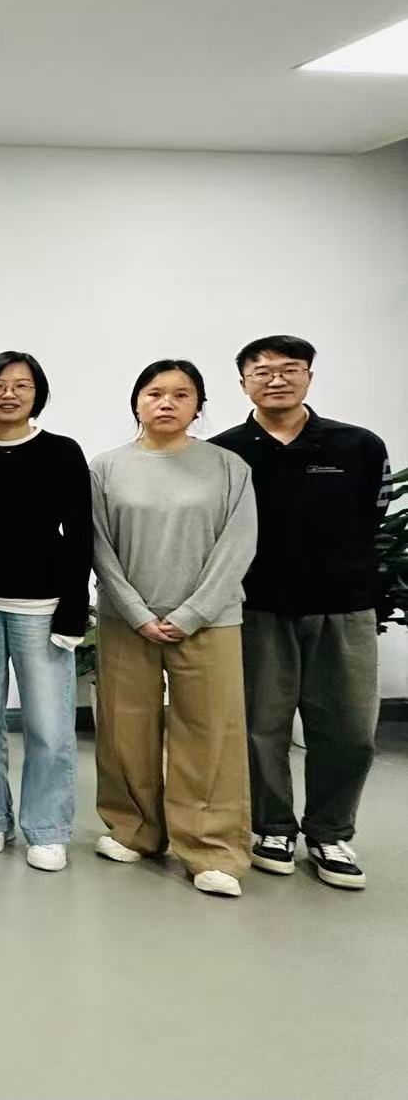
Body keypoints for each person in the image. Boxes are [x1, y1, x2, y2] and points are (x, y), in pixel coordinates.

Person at [211, 335, 389, 890]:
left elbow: (374, 520)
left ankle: (331, 831)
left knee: (349, 729)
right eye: (261, 371)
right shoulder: (225, 452)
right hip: (258, 608)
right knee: (259, 726)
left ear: (309, 376)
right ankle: (272, 828)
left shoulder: (357, 445)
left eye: (290, 369)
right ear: (243, 383)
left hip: (343, 608)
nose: (276, 379)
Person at [90, 359, 257, 897]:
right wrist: (136, 611)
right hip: (127, 621)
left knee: (210, 733)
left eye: (181, 394)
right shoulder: (107, 468)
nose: (166, 402)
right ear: (137, 402)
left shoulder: (228, 467)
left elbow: (238, 546)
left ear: (198, 406)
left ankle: (211, 849)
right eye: (154, 393)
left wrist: (191, 614)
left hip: (209, 621)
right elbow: (98, 546)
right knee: (125, 727)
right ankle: (134, 829)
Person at [0, 352, 91, 872]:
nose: (8, 394)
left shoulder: (61, 451)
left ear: (38, 394)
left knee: (50, 727)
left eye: (21, 385)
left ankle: (48, 828)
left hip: (42, 607)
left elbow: (80, 535)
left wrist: (74, 608)